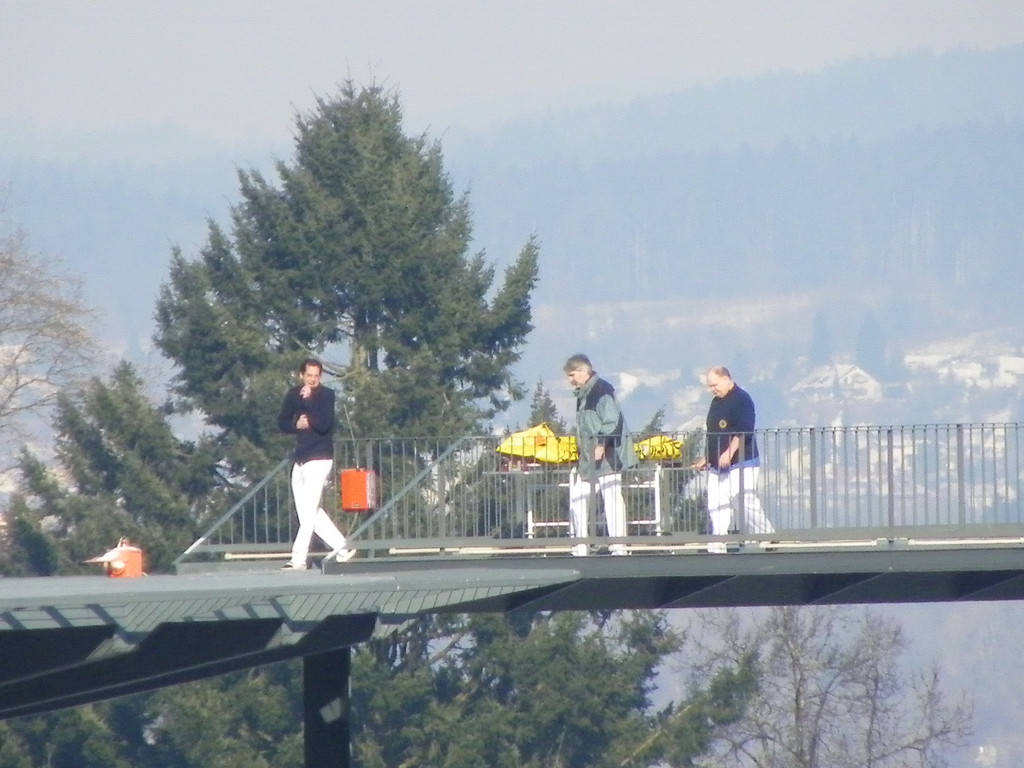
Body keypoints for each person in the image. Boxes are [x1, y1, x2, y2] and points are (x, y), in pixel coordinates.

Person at [277, 358, 355, 570]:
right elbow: (282, 422)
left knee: (309, 510)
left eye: (316, 376)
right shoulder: (293, 394)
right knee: (308, 512)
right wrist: (296, 425)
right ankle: (343, 548)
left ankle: (298, 559)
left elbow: (324, 424)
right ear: (301, 375)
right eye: (309, 375)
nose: (312, 380)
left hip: (320, 458)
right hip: (301, 458)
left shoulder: (326, 395)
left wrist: (309, 402)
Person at [692, 366, 774, 553]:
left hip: (742, 462)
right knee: (716, 504)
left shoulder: (742, 399)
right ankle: (717, 543)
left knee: (743, 498)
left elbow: (744, 430)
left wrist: (729, 453)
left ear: (726, 379)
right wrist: (707, 457)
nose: (712, 389)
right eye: (710, 386)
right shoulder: (716, 403)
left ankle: (767, 536)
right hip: (717, 465)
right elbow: (713, 434)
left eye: (715, 385)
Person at [564, 354, 637, 556]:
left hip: (608, 457)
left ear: (583, 371)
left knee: (612, 499)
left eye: (572, 375)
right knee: (578, 498)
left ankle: (619, 547)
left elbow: (612, 420)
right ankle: (580, 546)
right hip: (589, 459)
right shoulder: (585, 393)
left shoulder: (601, 390)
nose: (570, 380)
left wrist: (601, 444)